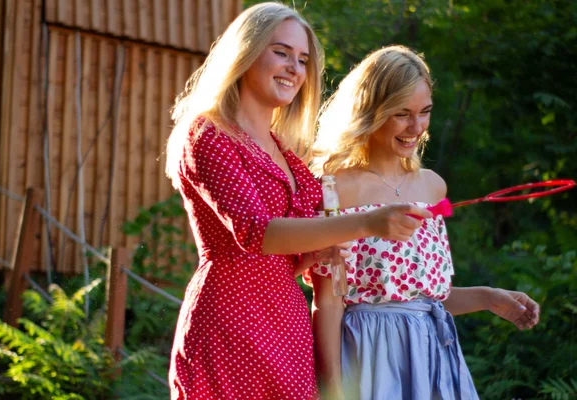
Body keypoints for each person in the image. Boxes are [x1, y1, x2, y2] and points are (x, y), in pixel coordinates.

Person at [164, 5, 433, 399]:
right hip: (230, 322)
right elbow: (258, 233)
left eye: (303, 59)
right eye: (281, 52)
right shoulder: (209, 134)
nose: (294, 67)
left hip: (288, 328)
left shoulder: (288, 155)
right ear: (246, 53)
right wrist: (368, 222)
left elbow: (288, 252)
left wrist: (315, 253)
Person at [308, 45, 540, 400]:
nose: (416, 127)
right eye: (402, 114)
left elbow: (428, 299)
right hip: (371, 358)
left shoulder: (433, 186)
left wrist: (488, 298)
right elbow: (329, 303)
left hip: (433, 358)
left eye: (425, 112)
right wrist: (334, 392)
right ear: (371, 110)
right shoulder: (338, 188)